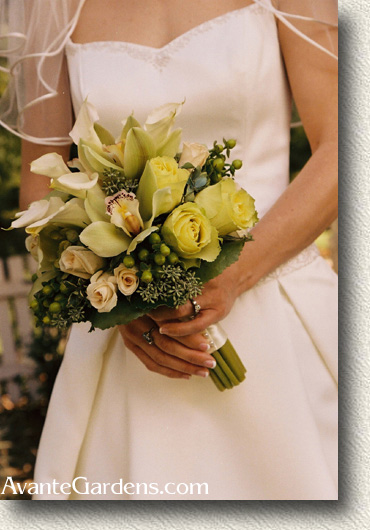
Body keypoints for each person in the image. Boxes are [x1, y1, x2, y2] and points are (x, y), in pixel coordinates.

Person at [0, 0, 338, 500]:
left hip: (280, 313)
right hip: (133, 341)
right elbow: (39, 192)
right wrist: (123, 304)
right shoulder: (52, 6)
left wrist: (237, 273)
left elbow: (346, 142)